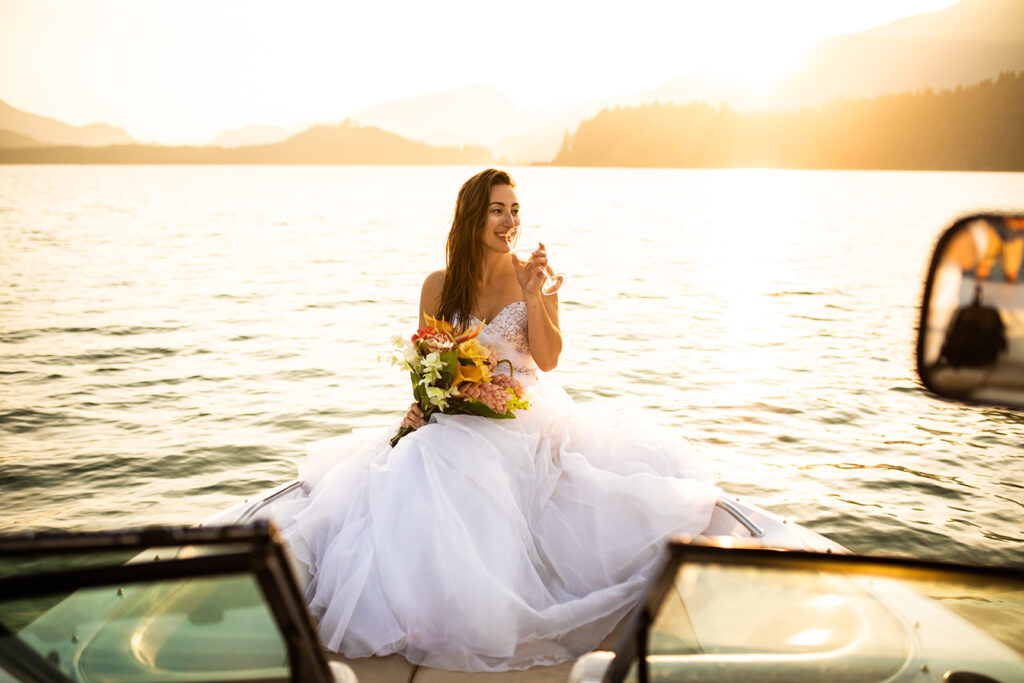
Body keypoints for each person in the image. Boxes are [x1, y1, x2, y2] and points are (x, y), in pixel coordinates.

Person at [271, 169, 719, 672]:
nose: (510, 221)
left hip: (524, 412)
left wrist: (533, 293)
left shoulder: (535, 276)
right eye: (497, 210)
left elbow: (548, 360)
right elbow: (428, 363)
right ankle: (431, 603)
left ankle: (491, 605)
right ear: (472, 217)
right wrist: (422, 403)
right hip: (456, 412)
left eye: (515, 210)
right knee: (419, 458)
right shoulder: (438, 285)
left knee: (477, 466)